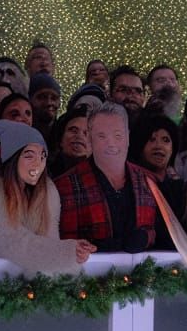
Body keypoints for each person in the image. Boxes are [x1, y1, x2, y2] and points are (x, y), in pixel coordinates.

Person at [55, 101, 157, 252]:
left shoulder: (149, 182)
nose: (111, 144)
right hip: (90, 273)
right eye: (102, 136)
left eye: (118, 135)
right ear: (89, 138)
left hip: (144, 272)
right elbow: (63, 242)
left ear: (128, 137)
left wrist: (146, 237)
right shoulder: (64, 186)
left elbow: (159, 232)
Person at [0, 122, 94, 276]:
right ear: (12, 158)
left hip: (31, 291)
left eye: (42, 157)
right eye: (29, 155)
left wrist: (74, 253)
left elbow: (50, 239)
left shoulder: (47, 192)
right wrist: (66, 252)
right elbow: (10, 241)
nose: (38, 164)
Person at [128, 113, 179, 184]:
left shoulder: (179, 187)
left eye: (165, 140)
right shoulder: (128, 183)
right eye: (152, 139)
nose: (159, 145)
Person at [48, 106, 90, 179]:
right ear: (61, 139)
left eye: (86, 133)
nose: (79, 136)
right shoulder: (44, 174)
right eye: (73, 130)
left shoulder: (104, 179)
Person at [29, 73, 62, 144]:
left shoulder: (64, 138)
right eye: (42, 97)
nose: (49, 103)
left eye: (54, 98)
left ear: (59, 103)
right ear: (30, 100)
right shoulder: (21, 135)